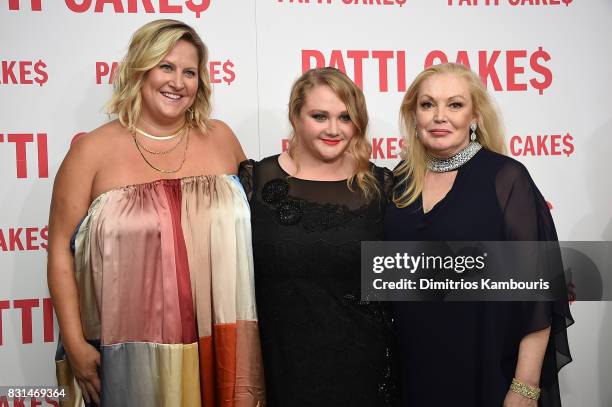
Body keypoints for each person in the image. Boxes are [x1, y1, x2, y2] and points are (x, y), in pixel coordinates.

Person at [47, 19, 264, 407]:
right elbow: (61, 253)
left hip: (219, 334)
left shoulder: (222, 138)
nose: (177, 82)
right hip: (128, 350)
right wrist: (76, 344)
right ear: (139, 69)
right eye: (166, 66)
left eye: (189, 72)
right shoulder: (90, 152)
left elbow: (257, 230)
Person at [384, 63, 573, 406]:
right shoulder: (398, 182)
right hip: (412, 372)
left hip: (488, 370)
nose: (440, 116)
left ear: (475, 116)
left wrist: (525, 387)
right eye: (428, 105)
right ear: (414, 115)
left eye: (455, 105)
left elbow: (538, 292)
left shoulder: (506, 178)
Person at [238, 67, 396, 406]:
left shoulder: (382, 186)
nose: (334, 129)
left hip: (366, 370)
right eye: (319, 116)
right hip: (281, 370)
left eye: (345, 117)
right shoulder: (255, 181)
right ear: (296, 116)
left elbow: (410, 279)